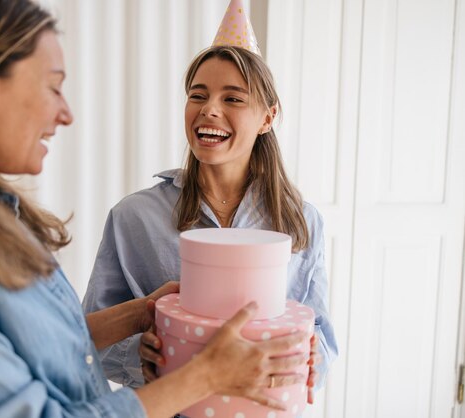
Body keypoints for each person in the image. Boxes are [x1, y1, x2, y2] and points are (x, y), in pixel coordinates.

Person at [0, 0, 310, 417]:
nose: (65, 113)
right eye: (53, 86)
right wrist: (203, 376)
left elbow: (22, 346)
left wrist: (141, 313)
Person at [82, 3, 338, 403]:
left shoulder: (303, 221)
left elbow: (322, 339)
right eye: (197, 95)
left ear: (267, 118)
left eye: (233, 99)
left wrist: (304, 361)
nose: (209, 108)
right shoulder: (133, 218)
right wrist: (139, 355)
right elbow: (86, 340)